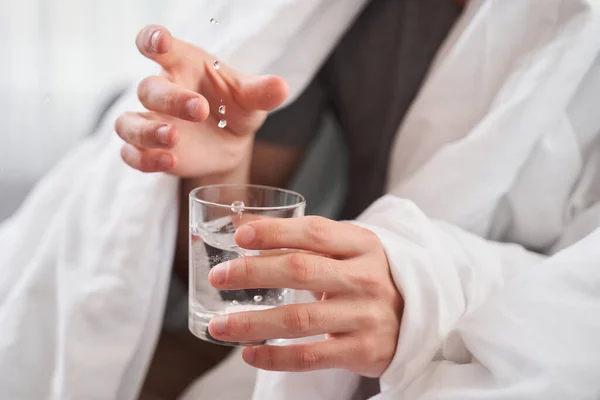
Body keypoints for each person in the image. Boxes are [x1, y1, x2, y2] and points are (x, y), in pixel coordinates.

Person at [115, 0, 600, 399]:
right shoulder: (326, 17)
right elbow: (230, 289)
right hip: (325, 329)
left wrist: (422, 294)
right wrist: (219, 169)